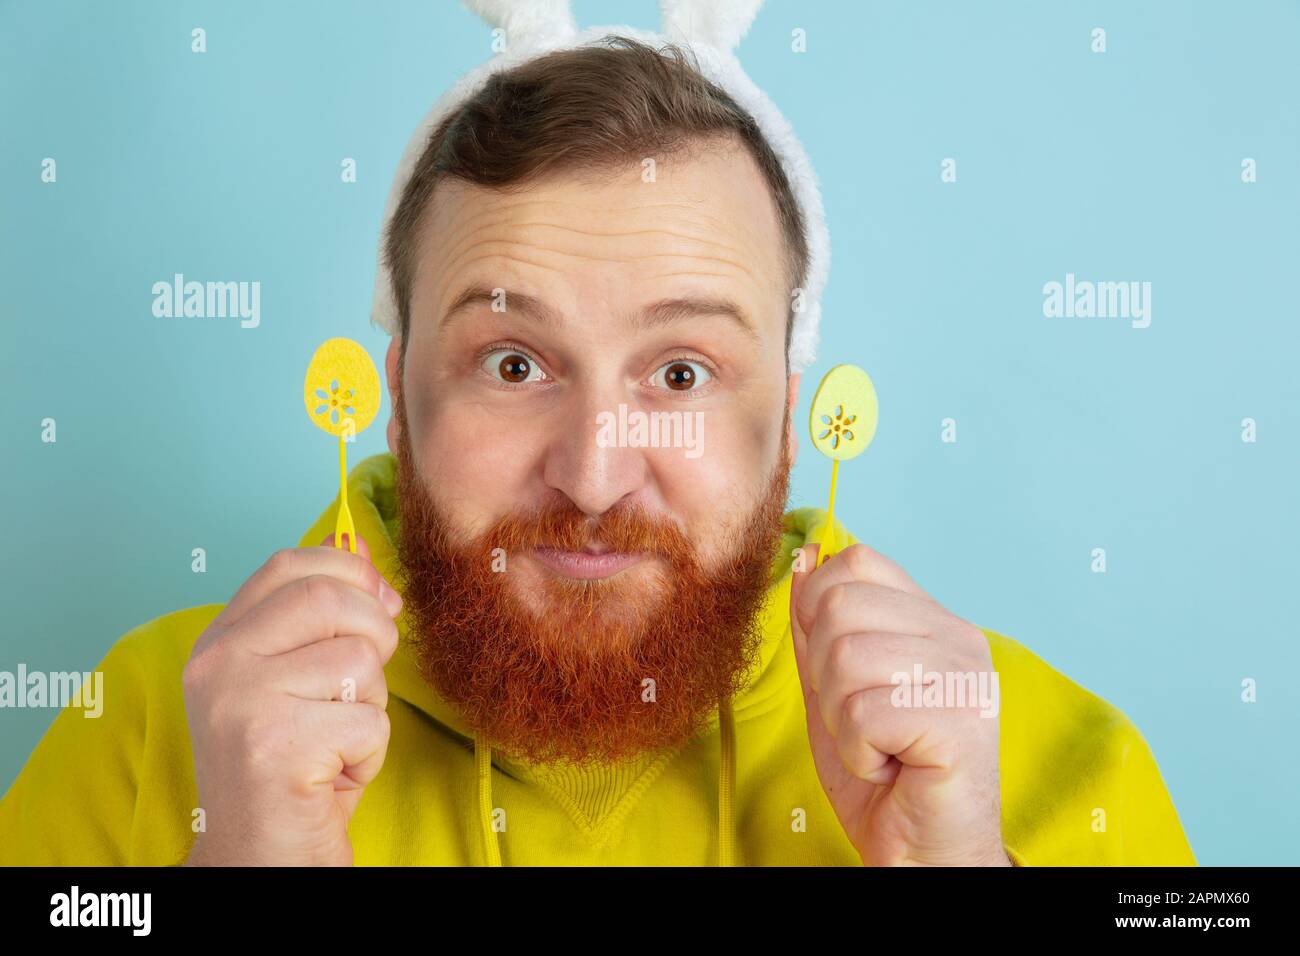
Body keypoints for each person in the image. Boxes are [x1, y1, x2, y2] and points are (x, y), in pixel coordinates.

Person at [0, 6, 1194, 867]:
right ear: (396, 398)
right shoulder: (157, 719)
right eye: (512, 364)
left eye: (680, 370)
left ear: (786, 416)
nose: (593, 467)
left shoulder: (1046, 763)